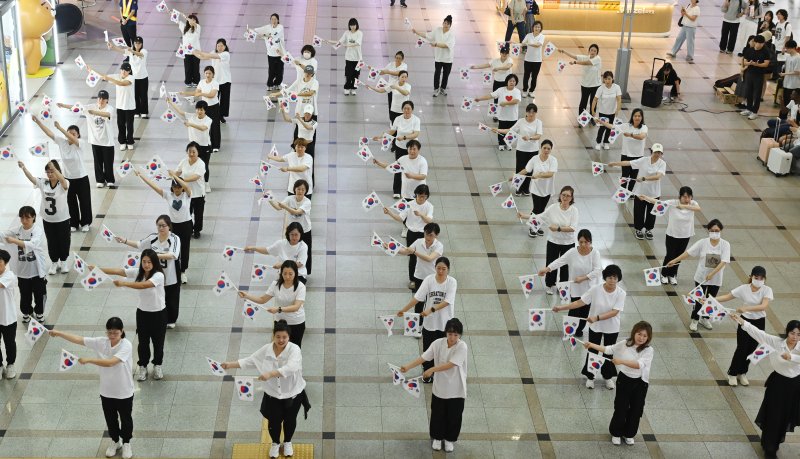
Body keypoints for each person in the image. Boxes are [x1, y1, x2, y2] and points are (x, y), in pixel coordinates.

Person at [220, 320, 309, 459]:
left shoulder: (294, 350)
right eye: (278, 336)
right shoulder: (266, 349)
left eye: (284, 337)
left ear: (289, 337)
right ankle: (274, 443)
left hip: (293, 393)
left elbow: (291, 367)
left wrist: (270, 373)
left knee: (290, 420)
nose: (281, 340)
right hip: (272, 394)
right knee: (274, 421)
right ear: (273, 336)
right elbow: (250, 361)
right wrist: (229, 365)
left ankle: (287, 442)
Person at [49, 317, 135, 459]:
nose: (112, 336)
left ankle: (126, 443)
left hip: (124, 391)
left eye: (116, 333)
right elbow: (79, 339)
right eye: (110, 332)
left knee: (126, 419)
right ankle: (115, 441)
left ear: (122, 331)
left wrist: (89, 360)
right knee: (110, 419)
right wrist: (59, 333)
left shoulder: (126, 345)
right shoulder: (101, 342)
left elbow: (111, 363)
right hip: (106, 391)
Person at [728, 314, 800, 458]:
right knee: (774, 414)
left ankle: (776, 442)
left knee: (785, 415)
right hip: (778, 384)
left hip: (795, 386)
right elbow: (757, 332)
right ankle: (769, 447)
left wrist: (791, 357)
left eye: (799, 334)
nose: (795, 337)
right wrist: (742, 321)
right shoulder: (776, 342)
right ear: (787, 332)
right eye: (792, 333)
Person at [91, 249, 167, 381]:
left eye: (149, 262)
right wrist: (97, 269)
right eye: (144, 261)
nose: (146, 264)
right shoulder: (139, 272)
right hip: (143, 313)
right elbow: (119, 271)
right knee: (143, 342)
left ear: (154, 262)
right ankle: (143, 366)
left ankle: (157, 365)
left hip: (159, 314)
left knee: (158, 342)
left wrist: (123, 283)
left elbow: (144, 285)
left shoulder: (159, 275)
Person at [400, 317, 467, 453]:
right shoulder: (437, 343)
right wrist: (408, 367)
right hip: (440, 388)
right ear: (445, 333)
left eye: (456, 334)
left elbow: (451, 364)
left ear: (460, 335)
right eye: (450, 334)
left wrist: (431, 369)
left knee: (454, 415)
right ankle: (437, 437)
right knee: (438, 414)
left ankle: (449, 439)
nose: (452, 337)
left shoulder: (462, 346)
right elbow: (424, 357)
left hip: (456, 389)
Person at [554, 264, 626, 389]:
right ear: (605, 278)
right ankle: (590, 376)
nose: (612, 280)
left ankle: (607, 377)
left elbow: (615, 312)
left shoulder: (621, 293)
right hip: (595, 327)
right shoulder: (595, 289)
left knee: (608, 352)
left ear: (618, 279)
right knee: (593, 350)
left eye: (615, 278)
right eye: (610, 277)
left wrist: (597, 317)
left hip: (612, 328)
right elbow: (579, 302)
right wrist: (561, 307)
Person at [584, 321, 654, 446]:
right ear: (634, 333)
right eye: (639, 334)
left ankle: (629, 434)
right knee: (621, 407)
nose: (641, 338)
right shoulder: (624, 344)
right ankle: (616, 433)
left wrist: (621, 361)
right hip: (624, 380)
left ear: (648, 337)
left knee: (636, 410)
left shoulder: (649, 350)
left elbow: (639, 365)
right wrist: (591, 345)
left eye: (645, 336)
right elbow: (608, 349)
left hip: (640, 383)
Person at [396, 257, 457, 381]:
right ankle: (427, 373)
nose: (440, 271)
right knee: (428, 349)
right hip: (430, 323)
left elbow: (447, 301)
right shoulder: (429, 280)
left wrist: (431, 309)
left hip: (444, 323)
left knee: (443, 350)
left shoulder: (452, 282)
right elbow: (418, 297)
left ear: (448, 270)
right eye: (438, 268)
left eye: (443, 269)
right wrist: (404, 309)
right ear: (435, 268)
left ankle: (439, 372)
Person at [114, 216, 181, 329]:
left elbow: (173, 255)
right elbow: (139, 244)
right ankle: (161, 318)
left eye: (163, 225)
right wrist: (124, 240)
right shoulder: (153, 238)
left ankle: (171, 320)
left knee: (171, 298)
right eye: (159, 225)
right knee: (158, 296)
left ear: (169, 226)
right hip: (155, 273)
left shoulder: (174, 238)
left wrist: (154, 256)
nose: (161, 228)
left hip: (170, 274)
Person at [667, 219, 731, 332]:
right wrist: (674, 260)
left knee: (711, 299)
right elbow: (688, 253)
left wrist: (712, 273)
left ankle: (705, 319)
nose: (714, 232)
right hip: (701, 277)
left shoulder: (725, 244)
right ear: (708, 230)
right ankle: (695, 319)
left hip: (715, 278)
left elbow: (724, 262)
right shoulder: (703, 242)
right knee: (699, 299)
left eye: (717, 230)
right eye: (712, 230)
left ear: (721, 230)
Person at [31, 118, 92, 232]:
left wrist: (60, 128)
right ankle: (73, 223)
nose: (70, 136)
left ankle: (85, 222)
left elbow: (73, 139)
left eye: (74, 134)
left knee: (84, 201)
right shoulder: (62, 142)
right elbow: (49, 133)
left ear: (78, 135)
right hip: (67, 178)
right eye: (69, 133)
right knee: (70, 201)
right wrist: (38, 122)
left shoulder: (80, 143)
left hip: (82, 177)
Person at [538, 229, 601, 337]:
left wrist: (584, 278)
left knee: (584, 311)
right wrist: (547, 268)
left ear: (590, 242)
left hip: (589, 288)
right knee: (574, 310)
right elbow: (560, 261)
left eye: (586, 242)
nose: (583, 244)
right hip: (575, 288)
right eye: (581, 242)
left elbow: (598, 270)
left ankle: (579, 329)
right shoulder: (572, 252)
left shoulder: (595, 253)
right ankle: (570, 328)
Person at [134, 170, 192, 285]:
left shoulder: (187, 195)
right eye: (175, 187)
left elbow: (187, 186)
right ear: (172, 188)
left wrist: (174, 176)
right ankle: (175, 270)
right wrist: (141, 175)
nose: (177, 189)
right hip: (173, 226)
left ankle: (183, 271)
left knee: (185, 249)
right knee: (174, 249)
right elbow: (153, 186)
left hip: (186, 224)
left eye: (179, 187)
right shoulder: (168, 195)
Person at [718, 266, 770, 386]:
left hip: (759, 322)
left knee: (752, 349)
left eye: (761, 278)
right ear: (751, 277)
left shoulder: (767, 290)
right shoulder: (743, 288)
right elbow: (727, 296)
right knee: (742, 348)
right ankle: (732, 373)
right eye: (756, 277)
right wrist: (712, 299)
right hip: (744, 320)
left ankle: (743, 372)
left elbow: (763, 306)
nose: (759, 280)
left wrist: (746, 308)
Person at [17, 160, 70, 275]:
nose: (50, 174)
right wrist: (24, 168)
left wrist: (55, 169)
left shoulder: (63, 182)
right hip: (48, 219)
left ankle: (64, 261)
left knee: (64, 240)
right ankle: (54, 262)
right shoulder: (43, 182)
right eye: (48, 172)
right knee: (51, 241)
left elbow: (64, 184)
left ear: (57, 171)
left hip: (62, 219)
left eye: (52, 171)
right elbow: (32, 178)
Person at [639, 186, 701, 285]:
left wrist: (684, 206)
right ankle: (664, 274)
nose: (687, 199)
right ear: (680, 197)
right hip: (672, 234)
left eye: (689, 197)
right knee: (670, 255)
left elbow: (698, 208)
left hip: (685, 235)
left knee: (679, 256)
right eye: (684, 197)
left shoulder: (693, 204)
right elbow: (658, 203)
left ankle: (673, 275)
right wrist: (646, 197)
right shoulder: (673, 203)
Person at [607, 144, 667, 240]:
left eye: (659, 152)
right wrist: (615, 163)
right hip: (640, 192)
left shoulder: (662, 163)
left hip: (654, 193)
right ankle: (638, 229)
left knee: (651, 213)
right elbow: (629, 163)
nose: (657, 154)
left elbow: (658, 176)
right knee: (639, 211)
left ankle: (648, 229)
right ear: (652, 151)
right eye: (656, 152)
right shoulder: (644, 160)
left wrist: (644, 178)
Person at [238, 261, 307, 346]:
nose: (287, 276)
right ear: (281, 273)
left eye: (290, 274)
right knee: (278, 347)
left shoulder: (301, 287)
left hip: (296, 322)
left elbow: (296, 307)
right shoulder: (275, 284)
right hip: (280, 322)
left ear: (295, 273)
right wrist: (247, 296)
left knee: (295, 348)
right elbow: (262, 299)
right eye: (284, 273)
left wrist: (279, 309)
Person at [383, 184, 434, 288]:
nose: (422, 198)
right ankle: (412, 280)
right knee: (412, 257)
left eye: (424, 196)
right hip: (411, 233)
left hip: (423, 234)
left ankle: (423, 278)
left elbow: (429, 220)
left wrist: (421, 214)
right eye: (420, 196)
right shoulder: (409, 204)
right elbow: (400, 218)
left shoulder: (429, 206)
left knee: (423, 257)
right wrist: (390, 213)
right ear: (416, 195)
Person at [2, 207, 46, 324]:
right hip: (22, 272)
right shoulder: (17, 230)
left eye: (27, 217)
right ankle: (26, 312)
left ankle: (40, 312)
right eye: (22, 217)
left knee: (39, 294)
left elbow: (32, 244)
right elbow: (3, 235)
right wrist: (9, 238)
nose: (24, 220)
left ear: (34, 218)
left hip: (37, 271)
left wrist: (14, 240)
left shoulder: (37, 230)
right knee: (24, 295)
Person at [65, 90, 115, 188]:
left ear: (107, 100)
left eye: (103, 99)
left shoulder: (110, 108)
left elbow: (107, 115)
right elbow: (76, 107)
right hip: (95, 140)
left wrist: (94, 112)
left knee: (108, 162)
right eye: (99, 98)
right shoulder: (91, 107)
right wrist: (63, 105)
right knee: (98, 162)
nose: (101, 100)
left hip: (107, 141)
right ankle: (100, 180)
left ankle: (110, 179)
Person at [371, 103, 421, 198]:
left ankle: (412, 190)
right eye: (405, 108)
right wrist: (381, 136)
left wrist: (405, 137)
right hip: (400, 147)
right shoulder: (398, 119)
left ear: (412, 110)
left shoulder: (416, 120)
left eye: (408, 109)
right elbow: (392, 131)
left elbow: (416, 134)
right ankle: (397, 190)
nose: (406, 110)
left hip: (412, 149)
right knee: (398, 167)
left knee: (412, 169)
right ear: (402, 109)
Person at [495, 104, 543, 196]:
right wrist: (498, 130)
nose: (531, 114)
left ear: (536, 113)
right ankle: (518, 188)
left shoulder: (538, 123)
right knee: (520, 168)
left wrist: (530, 138)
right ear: (526, 112)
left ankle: (526, 188)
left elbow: (539, 135)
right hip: (521, 149)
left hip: (533, 150)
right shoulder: (521, 121)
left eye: (533, 112)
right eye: (529, 112)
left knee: (530, 170)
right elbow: (510, 130)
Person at [596, 108, 648, 191]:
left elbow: (642, 137)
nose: (637, 118)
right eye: (635, 116)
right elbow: (613, 126)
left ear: (642, 118)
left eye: (639, 116)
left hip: (638, 156)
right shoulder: (626, 126)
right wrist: (602, 122)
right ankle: (623, 191)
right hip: (626, 154)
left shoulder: (644, 127)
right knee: (625, 175)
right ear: (632, 117)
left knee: (633, 176)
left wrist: (631, 135)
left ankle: (630, 192)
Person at [539, 186, 578, 292]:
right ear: (560, 195)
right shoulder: (553, 207)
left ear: (571, 198)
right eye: (563, 195)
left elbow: (573, 228)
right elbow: (540, 217)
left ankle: (563, 287)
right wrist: (524, 216)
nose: (565, 197)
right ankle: (550, 285)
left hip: (568, 243)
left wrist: (558, 228)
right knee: (551, 263)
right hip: (553, 241)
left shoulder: (574, 210)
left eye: (568, 196)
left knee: (565, 266)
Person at [167, 100, 212, 192]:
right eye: (198, 109)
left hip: (204, 146)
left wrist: (190, 124)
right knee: (192, 163)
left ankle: (206, 183)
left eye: (201, 110)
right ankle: (192, 180)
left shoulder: (208, 120)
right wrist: (171, 102)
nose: (199, 112)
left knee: (205, 166)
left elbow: (203, 128)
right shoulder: (191, 116)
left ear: (205, 111)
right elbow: (180, 112)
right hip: (193, 146)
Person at [88, 62, 134, 150]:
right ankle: (122, 142)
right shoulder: (117, 76)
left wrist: (109, 79)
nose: (124, 72)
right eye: (123, 70)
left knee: (130, 125)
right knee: (120, 124)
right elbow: (103, 76)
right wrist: (92, 71)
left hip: (130, 106)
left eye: (126, 70)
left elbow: (122, 83)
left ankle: (130, 141)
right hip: (120, 106)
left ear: (129, 71)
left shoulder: (131, 78)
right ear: (120, 70)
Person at [514, 139, 557, 237]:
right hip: (536, 189)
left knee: (542, 209)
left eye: (548, 149)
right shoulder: (534, 158)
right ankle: (532, 228)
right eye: (544, 148)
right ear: (541, 148)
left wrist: (539, 175)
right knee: (537, 208)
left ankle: (537, 225)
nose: (546, 150)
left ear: (551, 150)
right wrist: (516, 175)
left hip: (547, 189)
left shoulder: (553, 160)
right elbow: (527, 169)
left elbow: (550, 174)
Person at [271, 180, 313, 275]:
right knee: (289, 251)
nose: (300, 191)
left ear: (306, 191)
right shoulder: (289, 199)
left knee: (305, 252)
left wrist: (285, 207)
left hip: (305, 230)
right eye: (298, 189)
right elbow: (278, 207)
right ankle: (288, 272)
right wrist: (269, 199)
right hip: (291, 231)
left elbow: (297, 212)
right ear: (294, 189)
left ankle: (304, 272)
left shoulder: (307, 202)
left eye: (303, 189)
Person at [244, 223, 309, 283]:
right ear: (288, 234)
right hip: (284, 274)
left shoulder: (303, 246)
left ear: (301, 234)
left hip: (298, 275)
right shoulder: (280, 244)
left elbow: (299, 264)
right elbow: (267, 250)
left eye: (296, 235)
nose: (294, 237)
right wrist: (253, 248)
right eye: (292, 234)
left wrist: (282, 264)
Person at [475, 74, 521, 150]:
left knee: (511, 131)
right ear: (507, 82)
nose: (512, 82)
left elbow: (516, 101)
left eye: (514, 81)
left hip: (513, 116)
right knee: (501, 129)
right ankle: (501, 144)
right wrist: (480, 99)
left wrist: (505, 103)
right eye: (510, 81)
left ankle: (508, 143)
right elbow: (490, 95)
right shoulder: (500, 90)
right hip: (502, 115)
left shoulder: (517, 91)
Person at [412, 15, 455, 97]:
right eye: (445, 23)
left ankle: (442, 88)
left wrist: (436, 44)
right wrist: (416, 32)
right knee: (437, 73)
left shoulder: (452, 35)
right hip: (438, 57)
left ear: (450, 25)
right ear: (443, 23)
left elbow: (447, 45)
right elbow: (428, 35)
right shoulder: (437, 30)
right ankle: (436, 89)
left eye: (448, 24)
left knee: (446, 75)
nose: (446, 25)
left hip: (448, 59)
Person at [108, 37, 149, 118]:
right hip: (134, 78)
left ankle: (144, 111)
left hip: (143, 78)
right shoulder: (130, 52)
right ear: (134, 43)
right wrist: (112, 46)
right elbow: (121, 50)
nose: (137, 45)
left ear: (141, 44)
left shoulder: (144, 51)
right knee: (135, 95)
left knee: (143, 95)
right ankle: (136, 111)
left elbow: (140, 54)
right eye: (136, 43)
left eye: (139, 43)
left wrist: (132, 51)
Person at [397, 222, 444, 293]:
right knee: (419, 301)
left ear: (436, 235)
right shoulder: (418, 241)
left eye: (431, 235)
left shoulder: (439, 246)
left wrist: (414, 252)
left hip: (432, 277)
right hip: (419, 276)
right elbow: (405, 251)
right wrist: (390, 248)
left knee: (430, 301)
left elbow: (429, 258)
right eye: (426, 234)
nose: (427, 237)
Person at [193, 39, 232, 123]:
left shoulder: (226, 54)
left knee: (224, 100)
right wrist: (194, 53)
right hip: (215, 81)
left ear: (225, 46)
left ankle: (221, 116)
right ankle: (215, 115)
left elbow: (212, 56)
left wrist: (198, 51)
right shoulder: (213, 52)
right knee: (214, 99)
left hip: (225, 80)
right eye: (218, 46)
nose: (220, 47)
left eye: (222, 46)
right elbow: (203, 57)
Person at [174, 142, 207, 240]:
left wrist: (181, 179)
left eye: (194, 152)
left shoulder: (201, 164)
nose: (191, 154)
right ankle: (189, 230)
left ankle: (197, 230)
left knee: (198, 214)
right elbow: (177, 172)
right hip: (186, 193)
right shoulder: (184, 161)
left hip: (198, 193)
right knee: (187, 212)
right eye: (189, 151)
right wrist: (172, 175)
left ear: (198, 152)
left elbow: (195, 177)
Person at [183, 66, 221, 152]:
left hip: (214, 107)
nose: (208, 75)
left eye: (210, 73)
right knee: (206, 126)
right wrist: (185, 93)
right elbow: (196, 92)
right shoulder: (201, 82)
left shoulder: (215, 83)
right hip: (205, 108)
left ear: (213, 74)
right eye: (206, 73)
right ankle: (208, 144)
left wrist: (201, 94)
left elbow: (212, 95)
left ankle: (216, 145)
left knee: (215, 126)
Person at [558, 45, 601, 117]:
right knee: (583, 102)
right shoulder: (585, 57)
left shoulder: (597, 59)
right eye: (591, 50)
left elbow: (587, 63)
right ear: (589, 51)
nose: (593, 52)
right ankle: (581, 117)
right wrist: (564, 51)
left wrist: (575, 62)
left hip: (595, 85)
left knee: (593, 102)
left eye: (595, 51)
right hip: (585, 85)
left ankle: (592, 117)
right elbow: (574, 56)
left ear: (597, 52)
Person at [328, 18, 363, 95]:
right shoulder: (347, 33)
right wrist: (330, 42)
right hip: (349, 58)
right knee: (348, 74)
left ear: (356, 25)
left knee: (356, 75)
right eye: (351, 25)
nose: (352, 27)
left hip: (358, 58)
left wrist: (347, 45)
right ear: (349, 26)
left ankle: (354, 89)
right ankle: (347, 88)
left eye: (354, 25)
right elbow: (340, 42)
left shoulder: (359, 33)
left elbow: (357, 43)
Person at [740, 34, 772, 119]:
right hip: (749, 74)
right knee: (748, 92)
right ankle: (749, 109)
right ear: (755, 42)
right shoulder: (749, 51)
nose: (760, 45)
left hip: (759, 75)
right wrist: (750, 63)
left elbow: (766, 64)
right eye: (759, 43)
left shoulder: (765, 52)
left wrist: (758, 65)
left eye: (762, 43)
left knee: (757, 94)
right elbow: (744, 62)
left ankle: (755, 111)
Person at [252, 14, 285, 90]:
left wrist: (264, 35)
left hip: (280, 53)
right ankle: (270, 84)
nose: (273, 21)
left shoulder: (280, 27)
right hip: (271, 54)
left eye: (275, 19)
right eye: (272, 19)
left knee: (280, 71)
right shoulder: (267, 27)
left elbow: (275, 35)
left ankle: (277, 83)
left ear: (278, 20)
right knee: (271, 70)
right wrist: (251, 30)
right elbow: (257, 30)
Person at [591, 71, 622, 150]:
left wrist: (617, 110)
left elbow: (619, 100)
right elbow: (595, 100)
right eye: (605, 79)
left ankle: (606, 142)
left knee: (609, 128)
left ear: (612, 79)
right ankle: (598, 142)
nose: (607, 81)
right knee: (602, 128)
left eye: (609, 79)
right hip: (603, 112)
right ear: (603, 79)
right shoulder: (600, 88)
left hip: (612, 112)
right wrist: (592, 110)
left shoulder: (617, 87)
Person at [0, 249, 18, 379]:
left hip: (8, 317)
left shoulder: (9, 276)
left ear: (5, 263)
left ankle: (10, 364)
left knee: (9, 342)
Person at [520, 21, 545, 98]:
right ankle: (524, 90)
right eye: (535, 26)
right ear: (533, 27)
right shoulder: (528, 35)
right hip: (528, 59)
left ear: (541, 28)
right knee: (526, 76)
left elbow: (538, 45)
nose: (537, 28)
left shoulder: (542, 36)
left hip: (537, 60)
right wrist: (521, 45)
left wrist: (528, 44)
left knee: (534, 77)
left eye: (539, 27)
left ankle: (531, 91)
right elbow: (523, 43)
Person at [178, 13, 202, 86]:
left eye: (193, 20)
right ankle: (188, 82)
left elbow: (193, 24)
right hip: (186, 52)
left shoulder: (198, 28)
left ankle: (196, 82)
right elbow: (177, 21)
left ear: (196, 21)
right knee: (188, 68)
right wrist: (171, 13)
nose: (191, 21)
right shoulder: (184, 28)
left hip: (196, 52)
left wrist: (187, 17)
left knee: (196, 67)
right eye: (190, 20)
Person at [780, 40, 800, 107]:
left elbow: (797, 72)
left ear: (793, 48)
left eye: (787, 48)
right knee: (785, 100)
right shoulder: (788, 56)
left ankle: (790, 116)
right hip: (786, 82)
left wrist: (785, 74)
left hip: (794, 84)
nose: (786, 50)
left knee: (793, 103)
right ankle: (783, 117)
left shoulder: (798, 57)